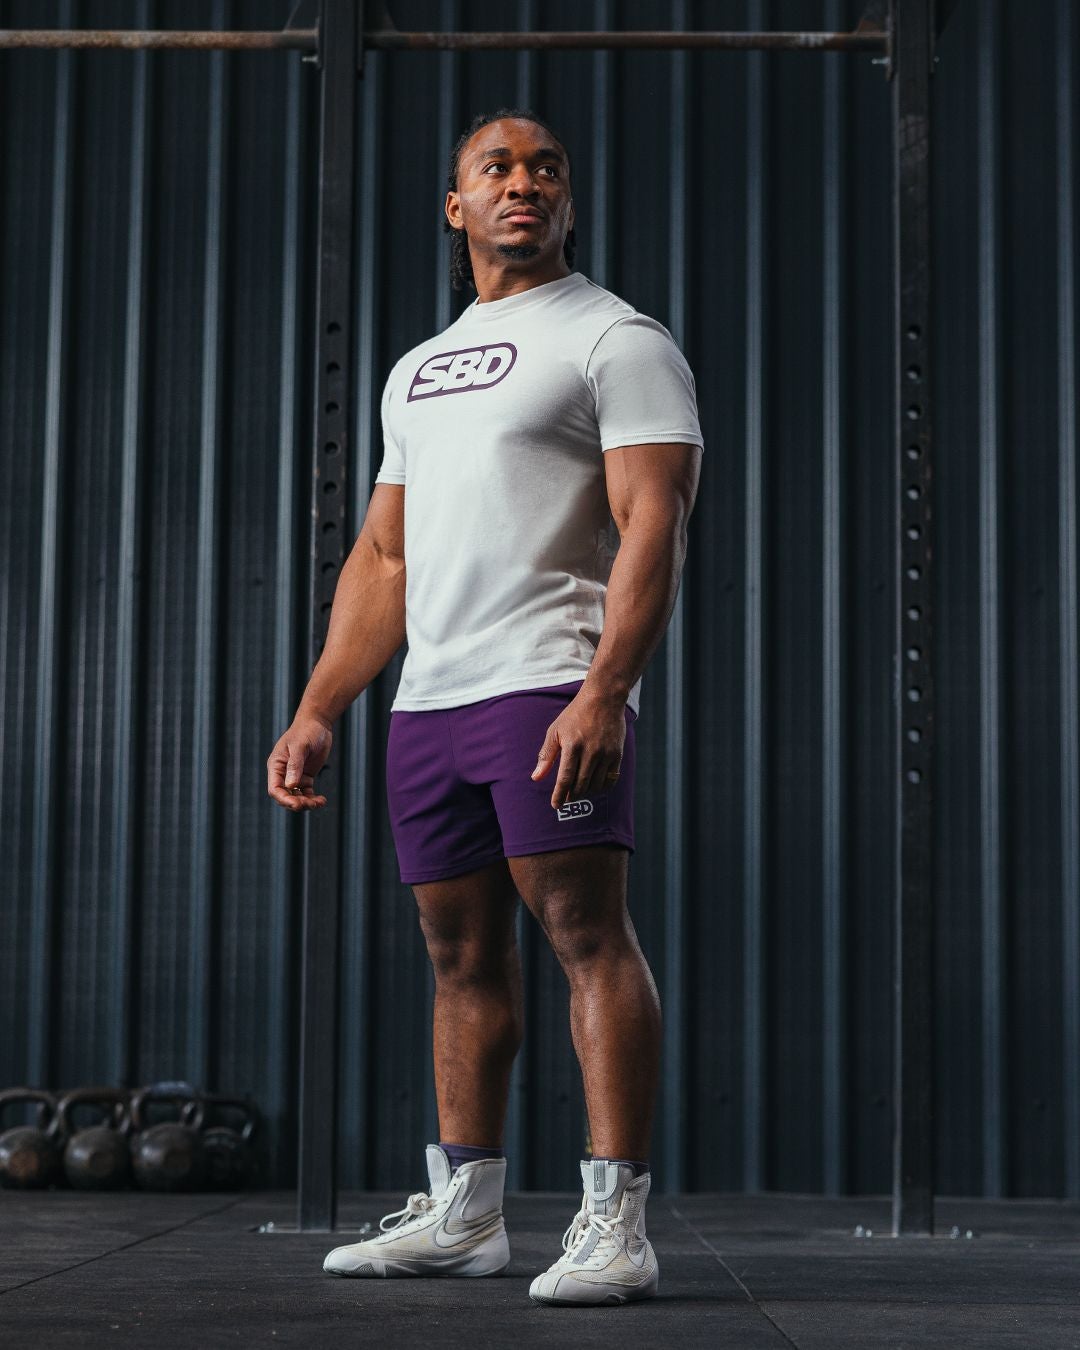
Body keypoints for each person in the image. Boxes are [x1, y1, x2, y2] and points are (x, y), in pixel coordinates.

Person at [266, 106, 703, 1308]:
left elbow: (654, 522)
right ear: (456, 206)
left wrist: (605, 690)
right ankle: (466, 1215)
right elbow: (386, 557)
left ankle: (616, 1224)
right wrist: (320, 706)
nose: (524, 182)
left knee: (586, 937)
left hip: (546, 684)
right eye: (497, 169)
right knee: (459, 957)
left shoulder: (615, 338)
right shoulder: (417, 368)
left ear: (568, 201)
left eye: (545, 168)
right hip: (431, 702)